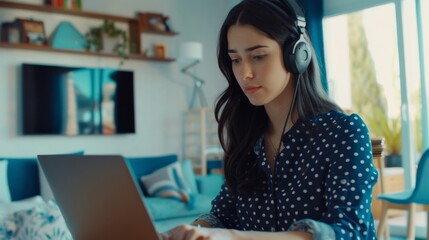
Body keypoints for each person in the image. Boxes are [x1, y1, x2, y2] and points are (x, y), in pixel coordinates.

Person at [163, 0, 378, 239]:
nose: (244, 73)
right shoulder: (246, 138)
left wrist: (232, 237)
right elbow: (223, 215)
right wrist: (194, 231)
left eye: (258, 56)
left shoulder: (343, 132)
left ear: (297, 55)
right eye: (236, 59)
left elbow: (349, 231)